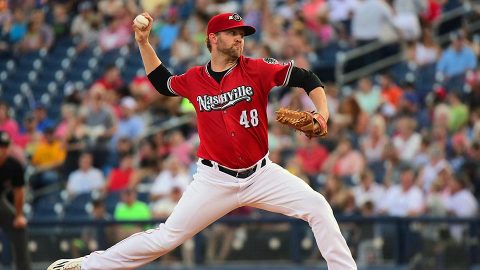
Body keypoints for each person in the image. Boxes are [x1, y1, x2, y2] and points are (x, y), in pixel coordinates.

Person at [48, 12, 357, 270]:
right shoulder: (194, 79)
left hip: (262, 174)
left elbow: (307, 78)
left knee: (317, 205)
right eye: (232, 33)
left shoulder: (256, 69)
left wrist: (323, 114)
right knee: (166, 237)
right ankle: (86, 265)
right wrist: (143, 43)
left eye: (242, 33)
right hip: (214, 179)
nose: (239, 38)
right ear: (213, 38)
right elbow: (162, 82)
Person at [0, 131, 32, 270]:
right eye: (0, 146)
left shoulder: (14, 165)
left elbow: (18, 192)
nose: (2, 149)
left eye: (5, 145)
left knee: (19, 227)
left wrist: (19, 215)